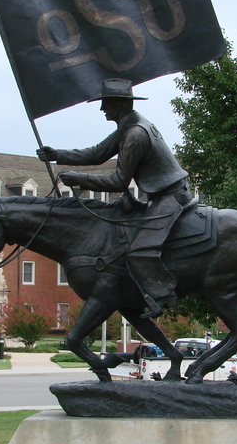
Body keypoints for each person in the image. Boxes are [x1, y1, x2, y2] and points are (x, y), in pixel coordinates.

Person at [38, 78, 194, 319]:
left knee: (139, 249)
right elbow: (98, 153)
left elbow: (119, 181)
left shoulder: (135, 133)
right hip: (159, 195)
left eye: (106, 103)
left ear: (120, 104)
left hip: (171, 197)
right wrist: (57, 154)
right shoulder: (128, 125)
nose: (102, 109)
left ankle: (161, 296)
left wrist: (79, 179)